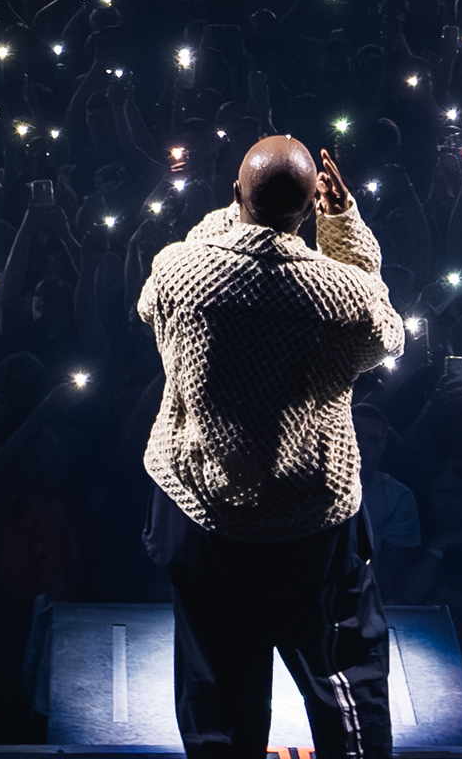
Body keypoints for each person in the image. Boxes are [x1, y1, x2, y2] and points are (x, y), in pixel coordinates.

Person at [136, 137, 406, 758]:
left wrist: (246, 212)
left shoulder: (177, 270)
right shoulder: (338, 294)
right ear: (310, 202)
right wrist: (341, 223)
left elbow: (157, 301)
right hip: (310, 521)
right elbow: (384, 329)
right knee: (344, 679)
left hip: (202, 509)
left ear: (236, 197)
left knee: (220, 697)